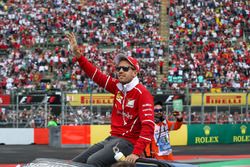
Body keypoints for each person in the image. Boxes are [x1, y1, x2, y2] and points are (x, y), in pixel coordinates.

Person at [66, 32, 155, 166]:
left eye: (125, 68)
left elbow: (148, 126)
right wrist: (79, 56)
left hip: (128, 143)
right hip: (112, 139)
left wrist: (136, 152)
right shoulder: (118, 87)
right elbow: (96, 75)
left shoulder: (142, 93)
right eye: (118, 68)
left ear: (135, 72)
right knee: (76, 162)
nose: (120, 71)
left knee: (93, 161)